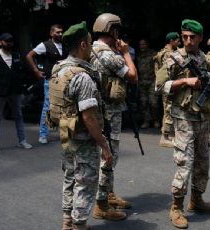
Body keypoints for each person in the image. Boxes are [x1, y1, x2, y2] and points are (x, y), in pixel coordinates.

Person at [156, 19, 210, 229]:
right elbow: (159, 86)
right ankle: (176, 207)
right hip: (183, 119)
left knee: (203, 161)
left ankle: (197, 200)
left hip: (203, 118)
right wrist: (184, 82)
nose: (188, 41)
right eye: (185, 37)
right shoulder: (173, 58)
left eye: (193, 37)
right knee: (184, 162)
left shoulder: (203, 59)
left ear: (200, 38)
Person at [48, 21, 112, 230]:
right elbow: (89, 118)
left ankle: (67, 221)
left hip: (67, 136)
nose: (92, 47)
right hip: (83, 139)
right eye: (91, 43)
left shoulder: (58, 69)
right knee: (85, 182)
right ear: (83, 45)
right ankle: (79, 225)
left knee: (69, 178)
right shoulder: (82, 77)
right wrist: (103, 144)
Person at [90, 13, 138, 221]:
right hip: (109, 114)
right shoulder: (110, 55)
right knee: (109, 157)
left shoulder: (90, 49)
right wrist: (126, 53)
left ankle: (108, 195)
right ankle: (101, 205)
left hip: (98, 111)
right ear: (113, 31)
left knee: (105, 155)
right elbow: (133, 76)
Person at [0, 32, 32, 153]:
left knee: (18, 115)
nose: (9, 43)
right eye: (7, 41)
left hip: (15, 91)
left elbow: (21, 71)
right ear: (0, 42)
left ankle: (22, 141)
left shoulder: (16, 55)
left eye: (11, 41)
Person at [26, 24, 67, 144]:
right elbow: (29, 56)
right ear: (51, 33)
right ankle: (43, 134)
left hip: (63, 81)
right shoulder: (45, 45)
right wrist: (36, 71)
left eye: (61, 32)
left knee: (63, 107)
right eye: (57, 32)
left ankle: (62, 132)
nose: (60, 34)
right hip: (50, 80)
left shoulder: (64, 46)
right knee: (48, 107)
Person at [154, 32, 180, 148]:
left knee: (170, 110)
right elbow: (168, 72)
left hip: (168, 85)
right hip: (169, 85)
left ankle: (171, 136)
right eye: (177, 40)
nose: (179, 43)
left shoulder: (162, 53)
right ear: (171, 41)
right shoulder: (168, 55)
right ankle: (164, 137)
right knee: (168, 110)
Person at [137, 39, 159, 128]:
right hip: (142, 81)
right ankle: (146, 121)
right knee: (143, 102)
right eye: (140, 45)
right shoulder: (138, 55)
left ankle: (156, 120)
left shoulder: (153, 54)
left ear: (147, 45)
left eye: (143, 44)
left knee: (153, 102)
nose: (142, 46)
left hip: (152, 81)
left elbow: (157, 66)